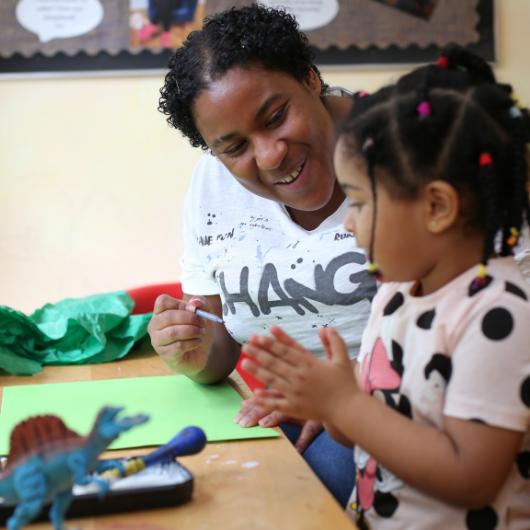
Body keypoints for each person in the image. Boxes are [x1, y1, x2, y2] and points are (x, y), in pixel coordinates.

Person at [241, 45, 530, 529]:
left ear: (437, 207)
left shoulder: (499, 317)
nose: (347, 225)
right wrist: (323, 401)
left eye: (357, 203)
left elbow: (470, 477)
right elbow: (371, 435)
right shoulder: (396, 296)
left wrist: (343, 403)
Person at [147, 5, 377, 507]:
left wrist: (352, 389)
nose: (270, 155)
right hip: (287, 411)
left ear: (311, 78)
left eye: (275, 117)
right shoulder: (212, 183)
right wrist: (192, 347)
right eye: (234, 147)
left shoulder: (408, 150)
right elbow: (221, 347)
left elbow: (497, 326)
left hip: (409, 404)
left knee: (282, 496)